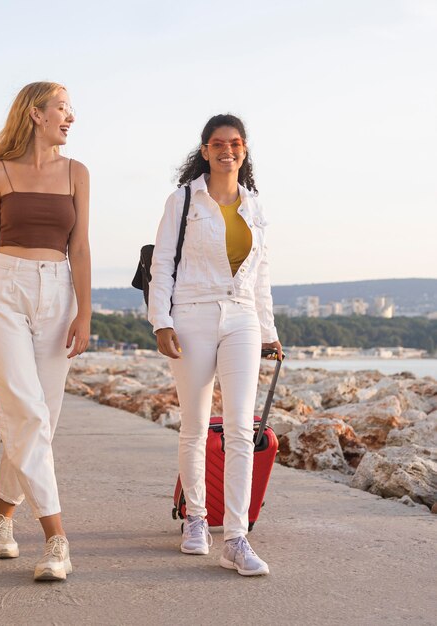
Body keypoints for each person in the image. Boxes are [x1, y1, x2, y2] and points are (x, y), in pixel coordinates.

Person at [0, 81, 90, 581]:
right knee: (26, 413)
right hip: (2, 288)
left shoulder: (77, 173)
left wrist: (85, 312)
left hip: (58, 293)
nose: (71, 118)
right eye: (63, 109)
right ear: (35, 113)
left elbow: (82, 248)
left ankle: (1, 519)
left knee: (40, 420)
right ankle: (56, 539)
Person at [148, 114, 282, 576]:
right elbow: (163, 263)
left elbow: (261, 274)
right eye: (219, 143)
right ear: (205, 150)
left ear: (244, 151)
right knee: (196, 423)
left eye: (237, 143)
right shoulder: (183, 200)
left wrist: (269, 331)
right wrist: (161, 322)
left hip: (241, 315)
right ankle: (196, 520)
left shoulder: (255, 204)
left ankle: (237, 537)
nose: (228, 150)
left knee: (241, 428)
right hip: (192, 314)